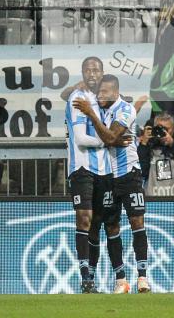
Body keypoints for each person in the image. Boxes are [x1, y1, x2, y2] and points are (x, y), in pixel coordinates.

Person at [73, 75, 151, 294]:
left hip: (129, 174)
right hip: (106, 175)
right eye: (98, 92)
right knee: (111, 227)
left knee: (137, 221)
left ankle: (142, 278)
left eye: (104, 92)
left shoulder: (125, 110)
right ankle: (121, 280)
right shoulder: (99, 107)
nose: (100, 96)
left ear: (116, 92)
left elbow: (110, 137)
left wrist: (90, 114)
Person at [64, 56, 114, 294]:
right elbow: (81, 139)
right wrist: (109, 142)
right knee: (84, 218)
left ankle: (91, 277)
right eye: (87, 70)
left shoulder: (104, 99)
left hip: (104, 171)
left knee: (97, 224)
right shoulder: (77, 97)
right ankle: (85, 278)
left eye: (96, 69)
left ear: (102, 72)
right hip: (82, 168)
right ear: (82, 73)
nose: (92, 73)